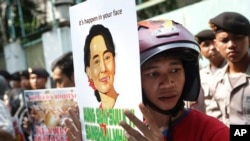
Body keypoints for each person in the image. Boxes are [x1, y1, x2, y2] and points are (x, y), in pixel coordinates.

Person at [65, 19, 229, 141]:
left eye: (175, 70)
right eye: (153, 74)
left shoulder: (213, 133)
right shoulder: (119, 130)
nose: (168, 82)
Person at [209, 11, 250, 126]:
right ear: (216, 44)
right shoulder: (216, 81)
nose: (231, 45)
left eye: (238, 38)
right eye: (224, 40)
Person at [190, 29, 226, 117]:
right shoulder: (200, 76)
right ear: (200, 50)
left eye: (215, 43)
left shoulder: (235, 69)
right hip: (215, 128)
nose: (212, 47)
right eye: (206, 45)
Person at [84, 24, 118, 108]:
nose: (103, 68)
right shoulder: (91, 118)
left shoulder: (132, 105)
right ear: (89, 72)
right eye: (96, 61)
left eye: (107, 58)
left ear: (114, 61)